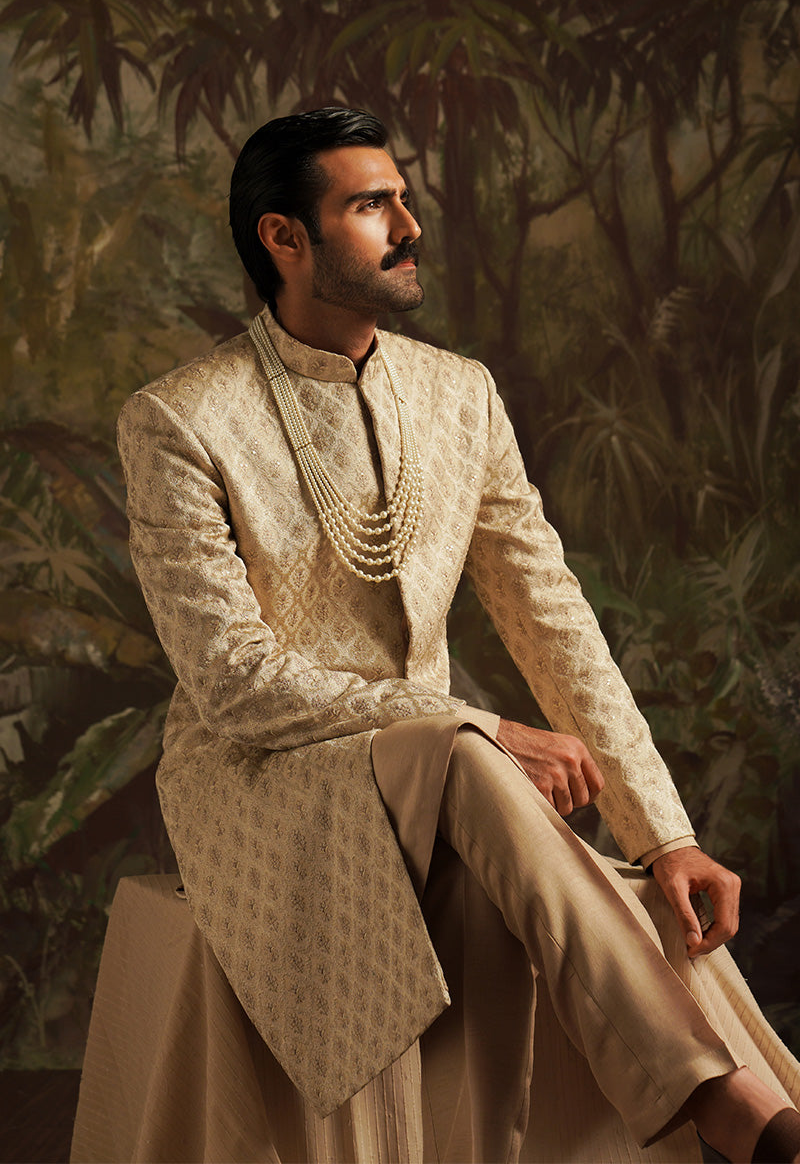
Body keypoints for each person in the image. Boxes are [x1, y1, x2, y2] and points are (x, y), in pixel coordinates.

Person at [116, 107, 800, 1163]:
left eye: (402, 199)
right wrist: (467, 724)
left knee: (465, 754)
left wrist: (662, 833)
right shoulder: (181, 419)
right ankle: (722, 1099)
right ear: (284, 238)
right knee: (470, 750)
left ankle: (712, 1094)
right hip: (261, 776)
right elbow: (233, 683)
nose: (409, 226)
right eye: (370, 205)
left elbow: (549, 614)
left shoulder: (457, 396)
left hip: (436, 779)